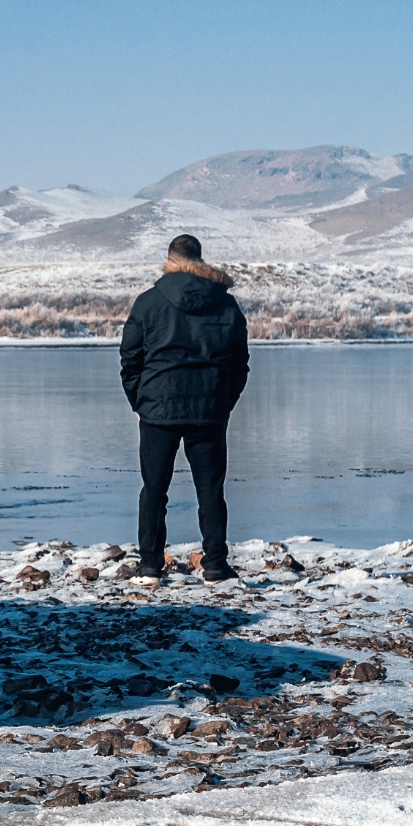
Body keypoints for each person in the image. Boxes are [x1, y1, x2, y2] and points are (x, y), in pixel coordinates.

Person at [118, 234, 249, 585]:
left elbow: (130, 359)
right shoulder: (226, 304)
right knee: (210, 489)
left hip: (158, 410)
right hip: (208, 409)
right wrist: (223, 401)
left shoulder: (148, 302)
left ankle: (149, 568)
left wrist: (139, 402)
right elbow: (240, 364)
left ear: (170, 259)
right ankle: (216, 567)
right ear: (201, 261)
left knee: (154, 489)